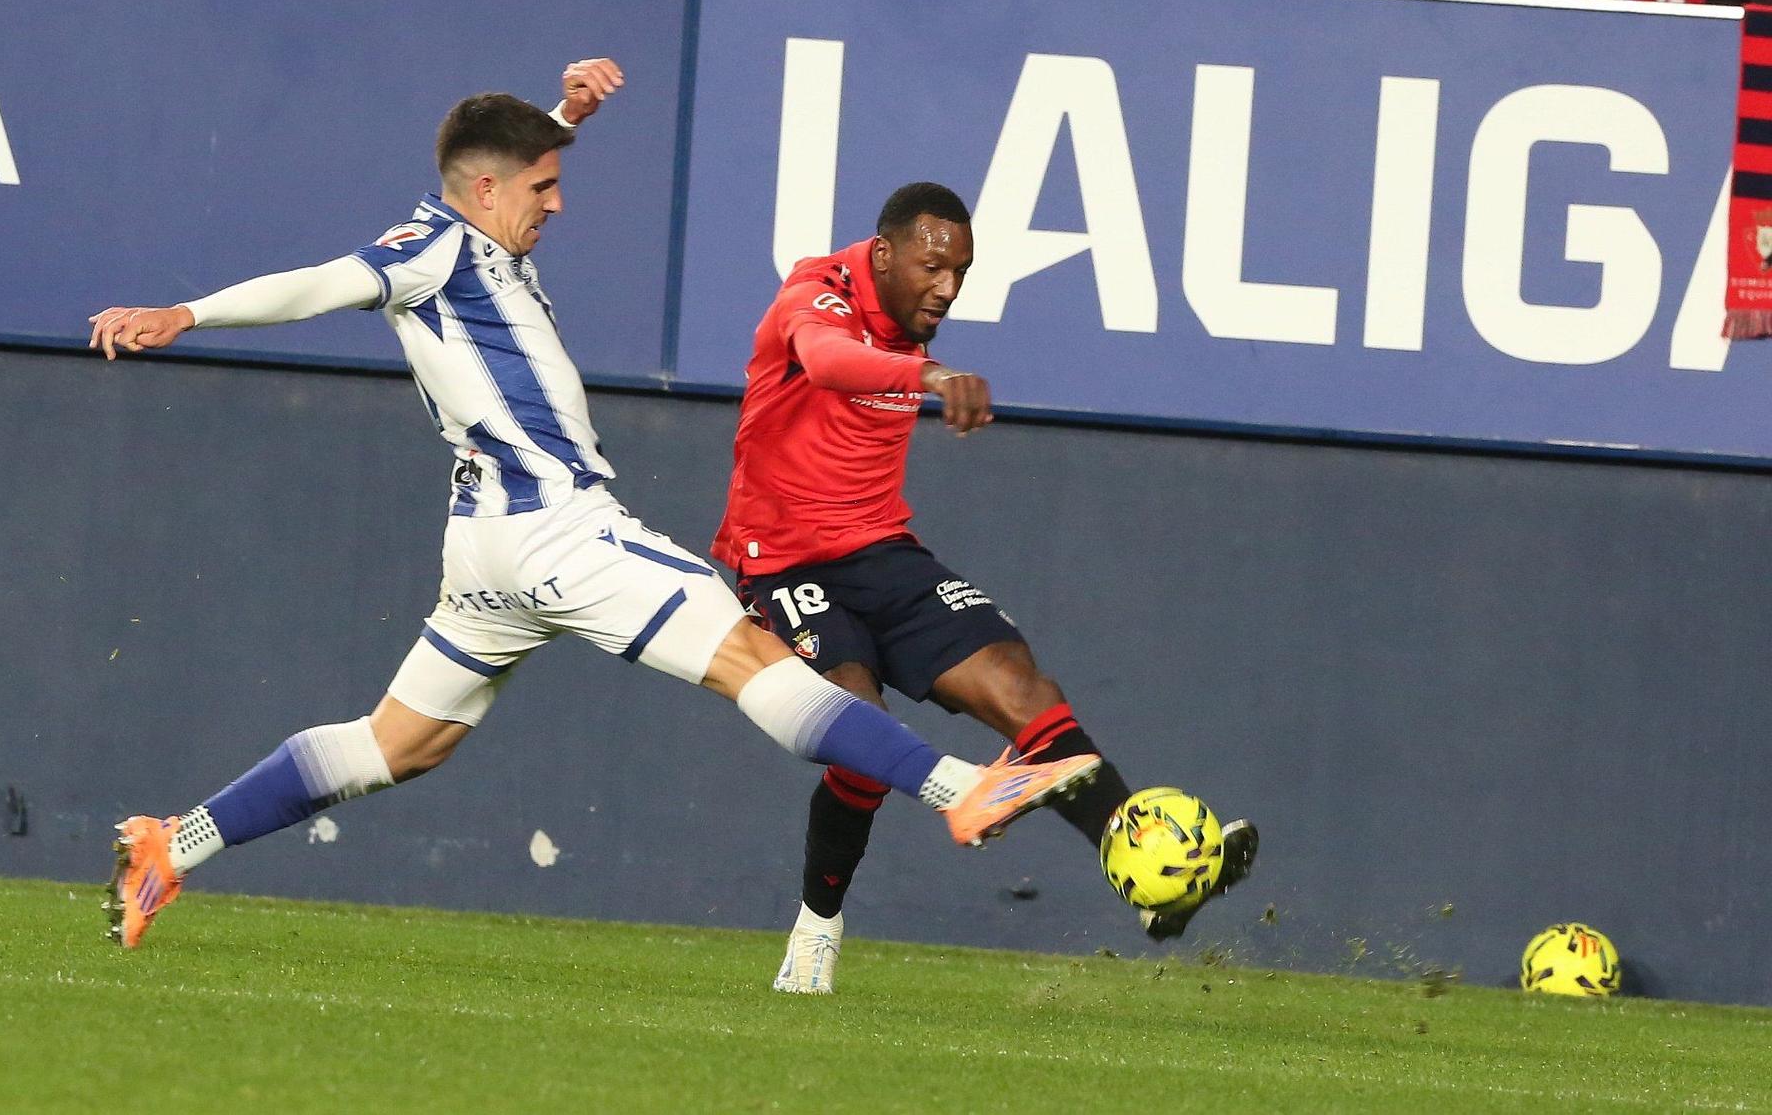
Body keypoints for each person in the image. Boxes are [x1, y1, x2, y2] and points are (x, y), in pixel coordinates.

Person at [85, 62, 1102, 950]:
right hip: (556, 525)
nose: (557, 203)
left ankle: (170, 846)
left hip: (485, 548)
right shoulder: (425, 252)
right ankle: (958, 788)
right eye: (544, 185)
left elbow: (502, 156)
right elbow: (322, 282)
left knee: (400, 742)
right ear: (485, 190)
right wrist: (186, 312)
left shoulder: (467, 223)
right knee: (754, 657)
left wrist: (566, 114)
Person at [713, 182, 1259, 995]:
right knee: (860, 733)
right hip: (782, 557)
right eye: (933, 267)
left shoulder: (914, 314)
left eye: (962, 270)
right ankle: (817, 928)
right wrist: (928, 375)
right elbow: (827, 362)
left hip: (883, 549)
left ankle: (1145, 862)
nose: (948, 288)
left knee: (1020, 685)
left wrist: (923, 366)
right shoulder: (813, 293)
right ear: (885, 254)